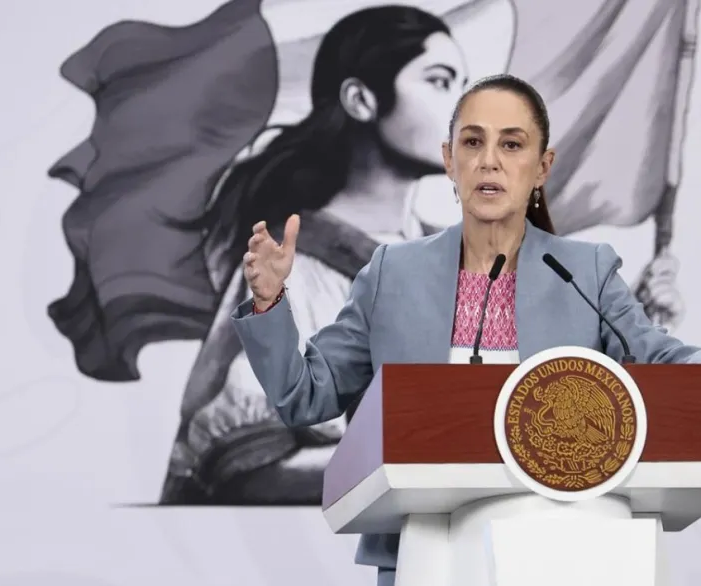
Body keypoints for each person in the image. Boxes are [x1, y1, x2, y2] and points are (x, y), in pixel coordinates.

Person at [233, 74, 701, 585]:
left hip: (571, 554)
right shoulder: (390, 274)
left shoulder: (586, 272)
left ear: (542, 166)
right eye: (472, 142)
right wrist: (269, 302)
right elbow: (304, 396)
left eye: (512, 145)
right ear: (449, 160)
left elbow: (652, 353)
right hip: (424, 551)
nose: (489, 160)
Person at [159, 5, 470, 504]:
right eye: (440, 82)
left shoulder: (455, 255)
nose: (467, 108)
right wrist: (426, 463)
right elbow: (245, 468)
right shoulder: (296, 263)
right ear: (361, 99)